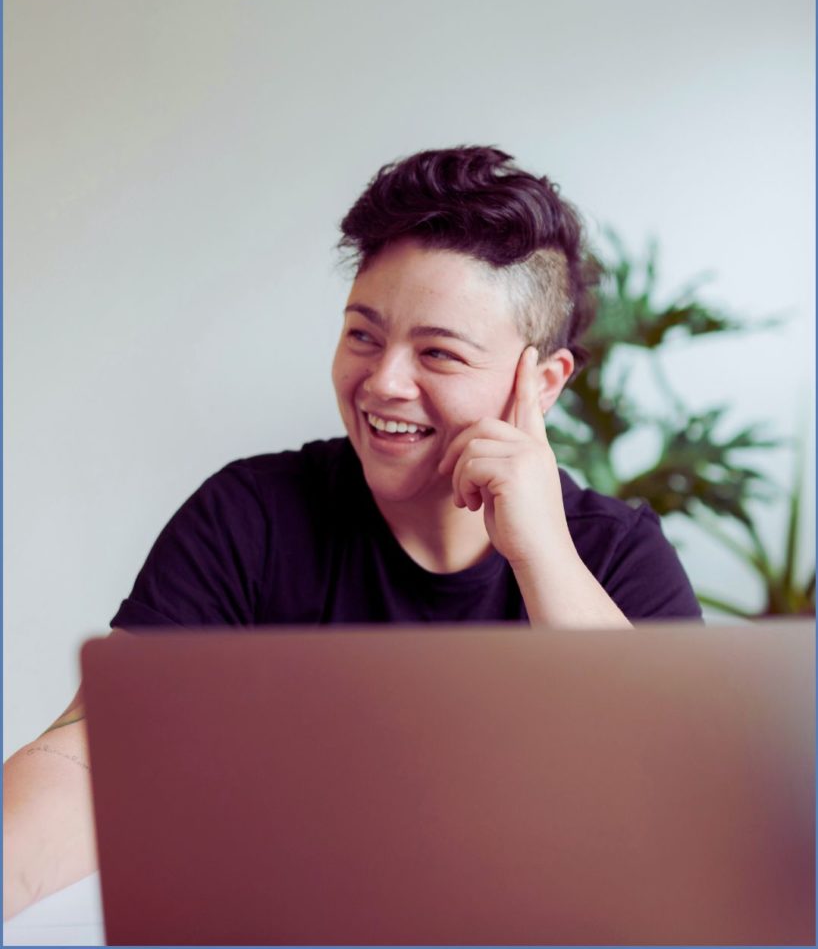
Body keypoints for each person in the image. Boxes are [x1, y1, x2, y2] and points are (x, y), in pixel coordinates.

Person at [3, 145, 702, 919]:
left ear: (540, 384)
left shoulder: (617, 555)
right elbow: (98, 753)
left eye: (438, 352)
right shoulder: (253, 517)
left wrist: (541, 551)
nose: (383, 382)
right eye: (364, 335)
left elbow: (674, 813)